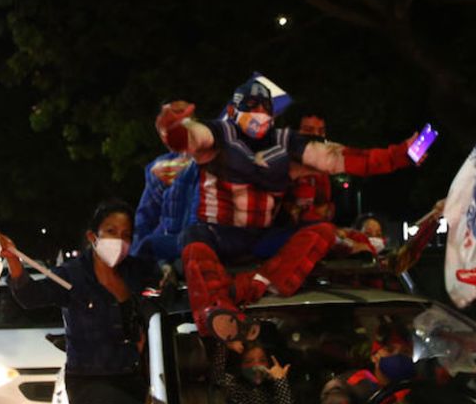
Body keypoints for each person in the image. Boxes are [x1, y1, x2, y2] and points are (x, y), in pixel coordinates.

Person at [156, 73, 429, 341]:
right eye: (251, 106)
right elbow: (188, 138)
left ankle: (252, 285)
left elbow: (345, 159)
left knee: (321, 232)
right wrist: (173, 124)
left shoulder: (287, 145)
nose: (259, 113)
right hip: (218, 234)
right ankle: (215, 310)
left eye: (265, 107)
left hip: (263, 238)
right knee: (191, 239)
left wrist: (403, 155)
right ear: (232, 109)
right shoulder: (218, 134)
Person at [0, 199, 162, 404]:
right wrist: (14, 261)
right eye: (111, 232)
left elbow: (161, 303)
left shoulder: (137, 273)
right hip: (90, 383)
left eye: (126, 235)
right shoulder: (72, 275)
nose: (119, 240)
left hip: (136, 380)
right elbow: (30, 297)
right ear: (92, 236)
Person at [316, 322, 416, 404]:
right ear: (374, 356)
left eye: (405, 352)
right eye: (389, 350)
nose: (397, 356)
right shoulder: (346, 385)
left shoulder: (416, 386)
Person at [211, 339, 296, 404]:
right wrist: (225, 346)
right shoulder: (234, 386)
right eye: (248, 361)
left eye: (262, 360)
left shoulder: (272, 387)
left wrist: (280, 380)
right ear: (240, 366)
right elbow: (218, 377)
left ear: (268, 364)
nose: (256, 366)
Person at [132, 151, 199, 262]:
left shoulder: (214, 164)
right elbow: (144, 218)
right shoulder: (161, 166)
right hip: (164, 252)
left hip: (192, 252)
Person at [284, 110, 335, 226]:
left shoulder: (321, 168)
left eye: (321, 132)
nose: (316, 136)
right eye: (308, 130)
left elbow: (325, 206)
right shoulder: (275, 162)